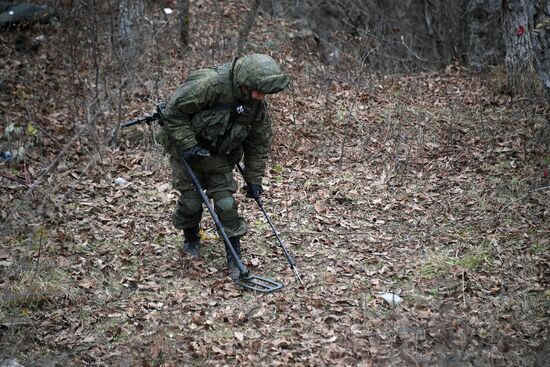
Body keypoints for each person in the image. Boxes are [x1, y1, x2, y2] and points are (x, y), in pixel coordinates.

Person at [156, 54, 290, 280]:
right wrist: (188, 145)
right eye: (258, 90)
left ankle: (234, 256)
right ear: (244, 83)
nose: (261, 96)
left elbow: (257, 144)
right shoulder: (209, 84)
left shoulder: (255, 106)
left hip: (219, 157)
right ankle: (190, 239)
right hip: (186, 152)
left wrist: (254, 179)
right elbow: (173, 113)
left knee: (227, 205)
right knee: (190, 203)